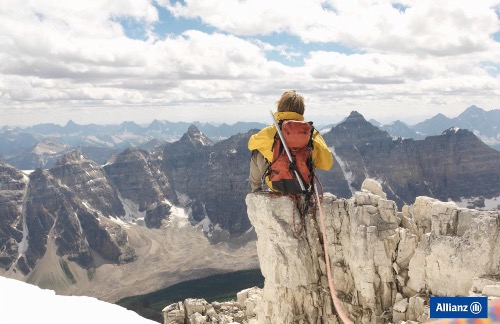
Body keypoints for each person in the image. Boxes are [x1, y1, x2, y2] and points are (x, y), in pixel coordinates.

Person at [248, 90, 334, 192]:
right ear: (301, 110)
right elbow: (327, 163)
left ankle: (256, 190)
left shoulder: (272, 131)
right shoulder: (312, 133)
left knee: (256, 152)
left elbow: (251, 144)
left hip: (276, 184)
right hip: (303, 184)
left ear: (280, 107)